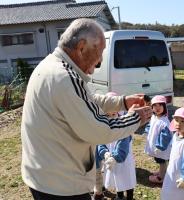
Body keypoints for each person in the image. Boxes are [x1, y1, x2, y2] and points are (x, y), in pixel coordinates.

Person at [21, 18, 152, 200]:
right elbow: (100, 130)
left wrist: (122, 102)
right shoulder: (65, 77)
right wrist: (135, 118)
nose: (93, 70)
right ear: (81, 47)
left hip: (46, 176)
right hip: (61, 186)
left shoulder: (51, 66)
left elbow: (84, 100)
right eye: (97, 61)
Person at [94, 92, 136, 200]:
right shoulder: (103, 127)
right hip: (111, 159)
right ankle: (120, 196)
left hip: (124, 159)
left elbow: (123, 146)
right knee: (117, 179)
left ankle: (129, 196)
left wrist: (115, 157)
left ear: (119, 113)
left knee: (127, 178)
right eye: (108, 115)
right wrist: (106, 153)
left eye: (114, 115)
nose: (111, 118)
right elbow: (100, 143)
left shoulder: (124, 128)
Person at [144, 95, 172, 184]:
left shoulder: (164, 122)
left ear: (164, 107)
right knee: (159, 160)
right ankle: (161, 172)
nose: (157, 108)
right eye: (155, 106)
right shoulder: (154, 117)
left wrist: (160, 147)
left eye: (160, 105)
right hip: (155, 144)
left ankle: (161, 177)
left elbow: (165, 136)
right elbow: (150, 125)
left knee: (162, 160)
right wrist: (147, 131)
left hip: (161, 147)